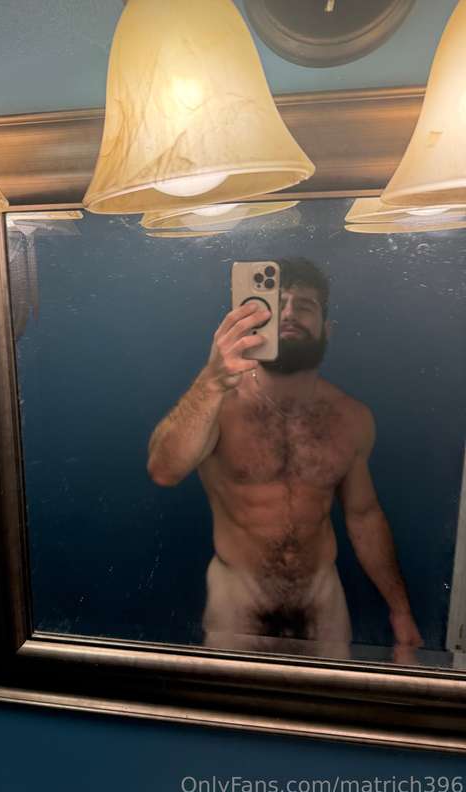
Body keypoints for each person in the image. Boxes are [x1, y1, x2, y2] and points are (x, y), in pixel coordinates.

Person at [147, 258, 423, 656]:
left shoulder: (351, 418)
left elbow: (363, 516)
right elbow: (164, 470)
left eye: (304, 306)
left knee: (330, 698)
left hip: (323, 603)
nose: (290, 314)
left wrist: (400, 609)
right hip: (237, 601)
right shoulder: (218, 405)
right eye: (277, 306)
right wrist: (212, 379)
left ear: (327, 330)